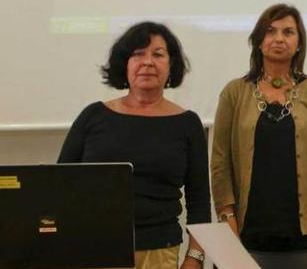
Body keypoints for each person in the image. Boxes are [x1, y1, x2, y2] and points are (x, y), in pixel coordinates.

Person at [58, 21, 210, 269]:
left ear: (171, 65)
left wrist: (195, 257)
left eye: (158, 54)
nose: (148, 62)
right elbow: (60, 185)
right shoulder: (93, 116)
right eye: (138, 54)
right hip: (93, 248)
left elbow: (200, 200)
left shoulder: (188, 124)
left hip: (160, 252)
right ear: (124, 64)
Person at [211, 3, 307, 269]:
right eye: (270, 31)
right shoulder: (234, 92)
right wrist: (227, 221)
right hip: (245, 240)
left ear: (299, 43)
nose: (278, 38)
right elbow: (220, 163)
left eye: (288, 32)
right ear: (258, 41)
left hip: (305, 242)